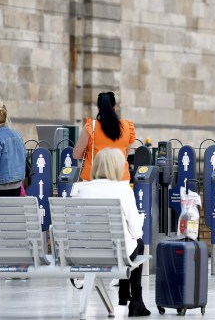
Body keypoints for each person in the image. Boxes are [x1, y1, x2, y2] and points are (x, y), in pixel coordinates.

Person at [72, 147, 150, 316]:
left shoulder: (84, 189)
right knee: (139, 244)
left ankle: (124, 296)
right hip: (117, 253)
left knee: (129, 243)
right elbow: (136, 232)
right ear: (116, 167)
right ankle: (136, 301)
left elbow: (78, 226)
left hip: (88, 254)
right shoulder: (123, 190)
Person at [73, 91, 136, 182]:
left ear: (98, 108)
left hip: (94, 178)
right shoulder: (128, 126)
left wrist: (90, 152)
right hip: (120, 178)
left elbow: (76, 154)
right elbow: (124, 156)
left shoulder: (91, 127)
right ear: (115, 107)